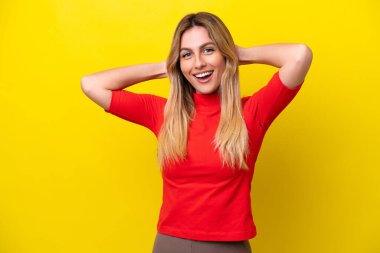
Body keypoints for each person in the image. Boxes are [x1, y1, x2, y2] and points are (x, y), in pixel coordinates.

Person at [81, 11, 312, 253]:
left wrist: (238, 53)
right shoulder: (164, 113)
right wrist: (166, 67)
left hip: (228, 247)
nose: (199, 63)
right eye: (187, 55)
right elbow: (91, 84)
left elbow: (299, 56)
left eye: (209, 50)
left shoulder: (252, 113)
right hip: (169, 244)